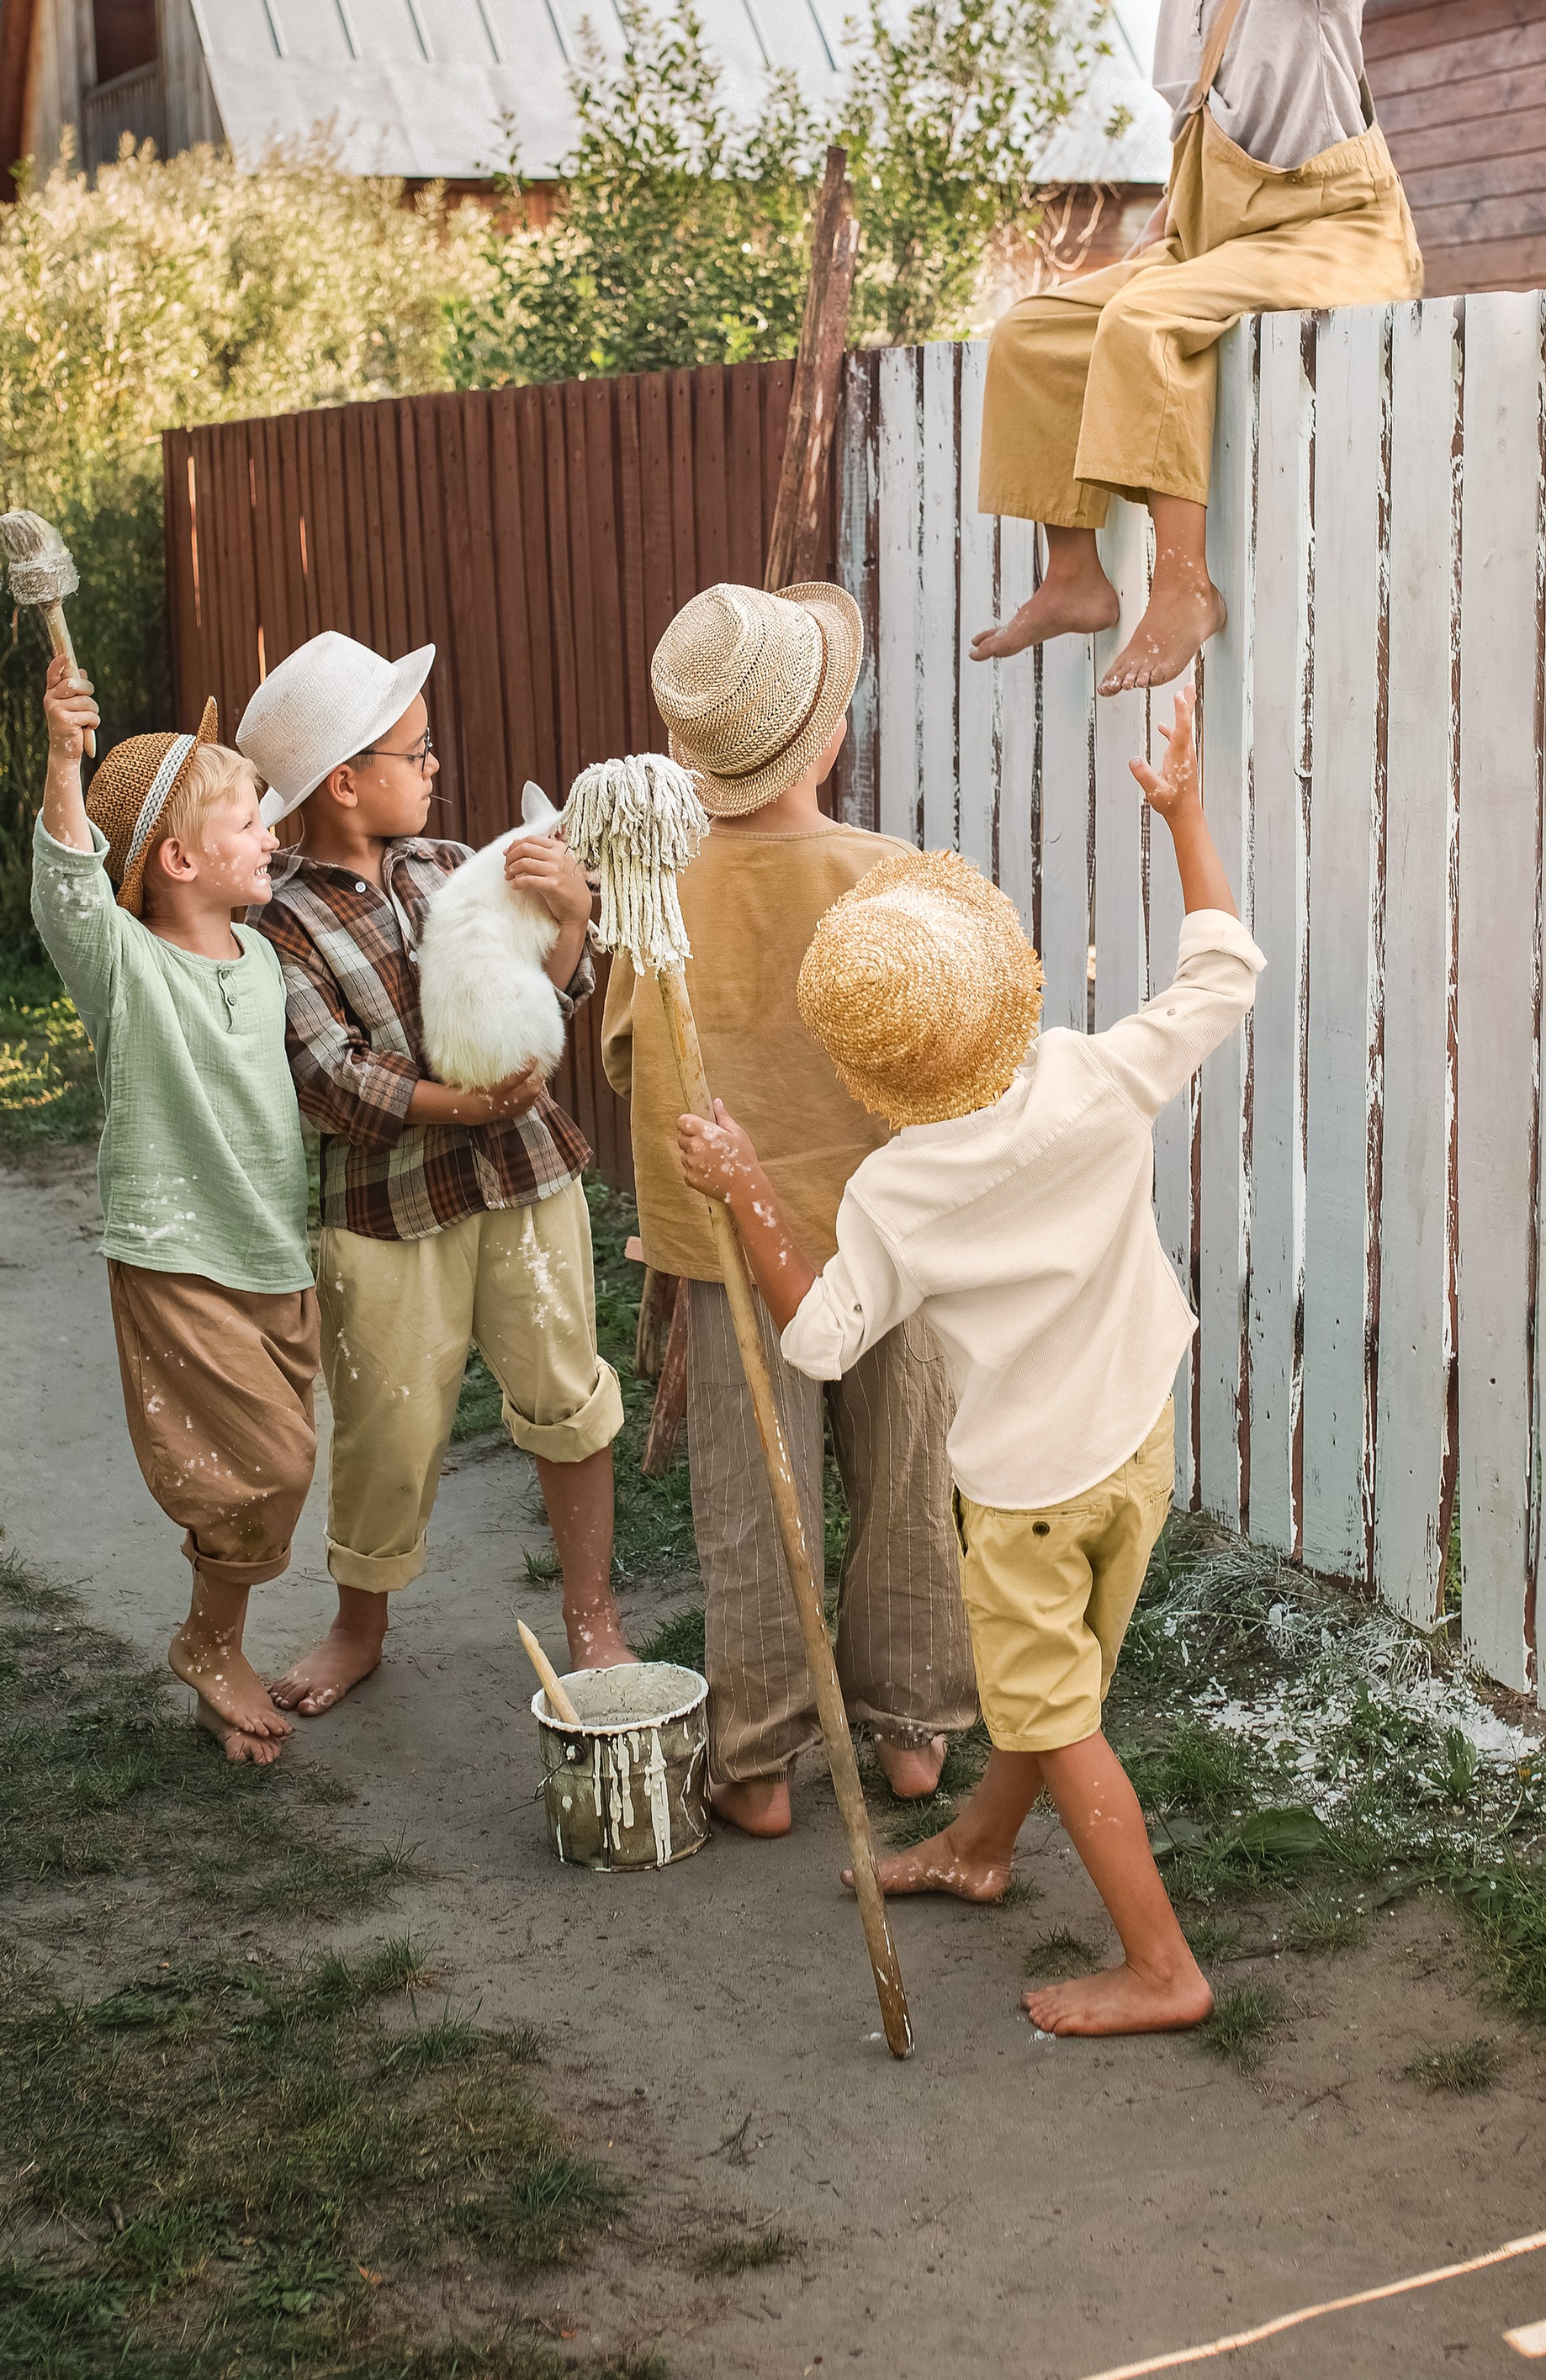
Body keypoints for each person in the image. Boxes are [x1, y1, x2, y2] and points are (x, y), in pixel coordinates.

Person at [674, 687, 1261, 2036]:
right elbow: (1223, 974)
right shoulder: (1095, 1076)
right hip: (1137, 1438)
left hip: (1028, 1492)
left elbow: (821, 1336)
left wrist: (749, 1187)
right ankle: (981, 1848)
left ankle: (1161, 1966)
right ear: (1005, 985)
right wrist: (1184, 819)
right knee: (1056, 1680)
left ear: (869, 1070)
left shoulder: (899, 1192)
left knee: (1055, 1717)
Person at [601, 581, 978, 1838]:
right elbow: (955, 1056)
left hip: (727, 1241)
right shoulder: (889, 876)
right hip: (892, 1238)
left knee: (755, 1493)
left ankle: (758, 1760)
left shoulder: (661, 893)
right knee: (908, 1473)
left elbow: (625, 1054)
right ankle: (913, 1727)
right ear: (828, 738)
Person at [972, 0, 1422, 695]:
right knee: (1033, 333)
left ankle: (1184, 584)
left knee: (1144, 321)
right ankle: (1074, 577)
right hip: (1219, 239)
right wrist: (1162, 229)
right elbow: (1198, 136)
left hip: (1332, 232)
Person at [236, 629, 632, 1716]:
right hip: (387, 1209)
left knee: (565, 1390)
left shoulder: (455, 865)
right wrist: (461, 1104)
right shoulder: (280, 921)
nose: (435, 765)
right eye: (415, 753)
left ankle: (592, 1614)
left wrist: (571, 916)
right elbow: (327, 1072)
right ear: (345, 782)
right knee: (388, 1421)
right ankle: (358, 1626)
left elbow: (553, 992)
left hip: (523, 1175)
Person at [28, 655, 320, 1765]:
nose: (268, 836)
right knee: (267, 1466)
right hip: (177, 1252)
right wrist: (63, 761)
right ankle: (211, 1644)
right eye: (247, 822)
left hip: (272, 1254)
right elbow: (71, 893)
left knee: (259, 1474)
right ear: (178, 860)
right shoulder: (127, 968)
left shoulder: (266, 958)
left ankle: (213, 1654)